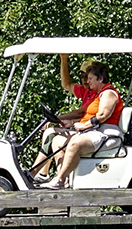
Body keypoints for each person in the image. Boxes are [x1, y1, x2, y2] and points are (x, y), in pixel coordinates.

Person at [43, 58, 121, 188]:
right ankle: (63, 179)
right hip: (95, 130)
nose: (87, 81)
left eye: (90, 78)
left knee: (75, 143)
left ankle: (60, 180)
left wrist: (83, 126)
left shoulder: (108, 93)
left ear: (100, 79)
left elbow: (102, 115)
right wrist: (73, 123)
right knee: (57, 141)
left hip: (106, 132)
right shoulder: (97, 93)